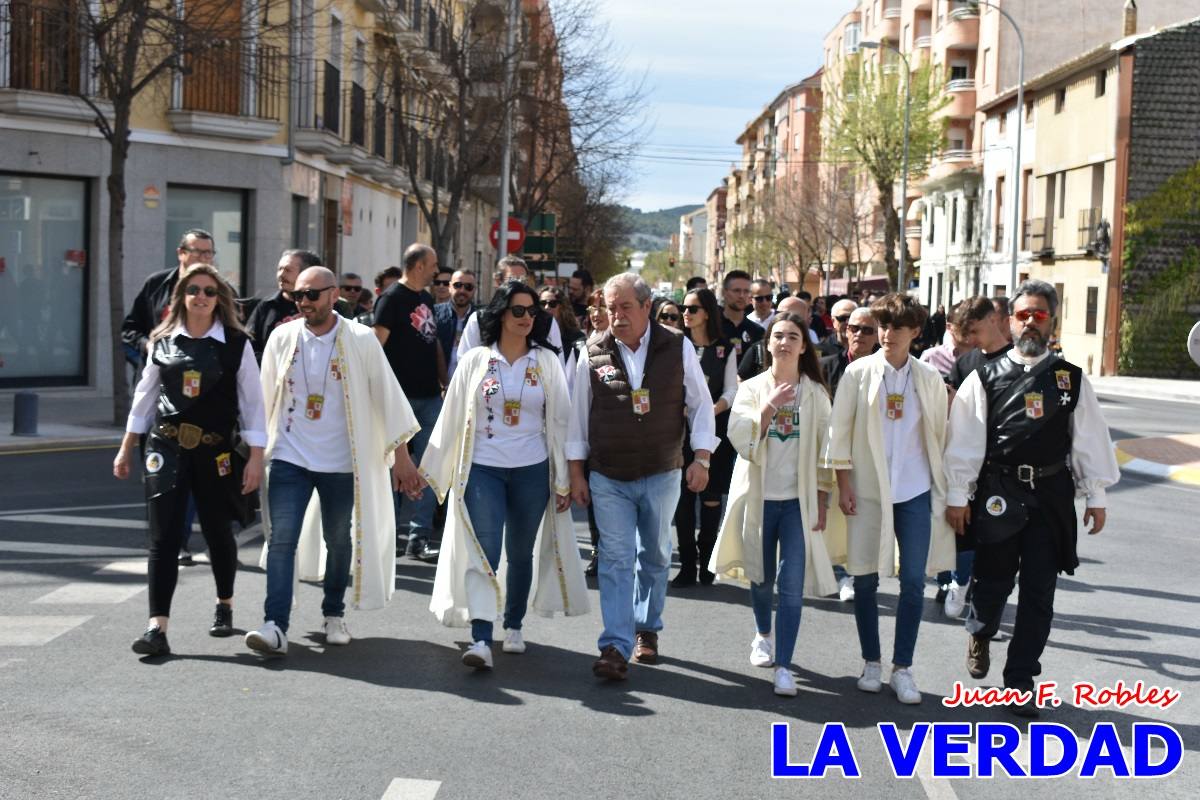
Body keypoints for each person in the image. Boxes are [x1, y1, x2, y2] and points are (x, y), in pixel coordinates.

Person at [944, 280, 1119, 717]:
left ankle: (1020, 680)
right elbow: (964, 441)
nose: (1030, 322)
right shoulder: (983, 376)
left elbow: (1089, 442)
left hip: (1050, 496)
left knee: (1040, 593)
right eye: (1023, 314)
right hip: (998, 492)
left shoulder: (1070, 380)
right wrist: (957, 495)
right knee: (994, 582)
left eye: (1039, 315)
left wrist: (1094, 496)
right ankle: (981, 632)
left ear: (1051, 320)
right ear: (1009, 320)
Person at [245, 267, 423, 656]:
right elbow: (261, 401)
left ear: (333, 295)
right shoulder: (282, 337)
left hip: (343, 463)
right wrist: (256, 457)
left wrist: (403, 460)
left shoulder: (360, 339)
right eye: (297, 296)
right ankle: (275, 624)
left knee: (339, 540)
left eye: (312, 295)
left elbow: (387, 397)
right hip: (290, 457)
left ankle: (333, 612)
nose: (303, 303)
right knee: (281, 539)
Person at [423, 282, 588, 669]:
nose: (527, 318)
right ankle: (481, 636)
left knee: (520, 552)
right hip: (482, 469)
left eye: (532, 312)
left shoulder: (546, 362)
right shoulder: (475, 361)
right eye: (518, 311)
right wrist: (428, 471)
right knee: (485, 549)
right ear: (500, 315)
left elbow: (563, 423)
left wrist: (564, 478)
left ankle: (513, 624)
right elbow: (450, 418)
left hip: (532, 470)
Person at [568, 273, 717, 680]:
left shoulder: (677, 346)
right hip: (609, 474)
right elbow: (577, 420)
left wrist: (701, 458)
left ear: (647, 307)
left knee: (653, 553)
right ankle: (615, 645)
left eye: (625, 307)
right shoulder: (591, 352)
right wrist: (576, 473)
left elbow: (701, 406)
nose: (616, 317)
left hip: (661, 470)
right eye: (610, 308)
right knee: (615, 559)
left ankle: (646, 628)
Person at [114, 264, 266, 656]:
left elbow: (253, 404)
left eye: (210, 291)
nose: (201, 297)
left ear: (220, 299)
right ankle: (156, 628)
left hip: (215, 451)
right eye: (194, 290)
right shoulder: (161, 341)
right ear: (181, 295)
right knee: (162, 538)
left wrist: (256, 459)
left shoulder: (236, 343)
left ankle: (225, 603)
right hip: (165, 449)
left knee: (217, 531)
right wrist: (127, 446)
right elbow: (145, 397)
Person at [824, 293, 953, 705]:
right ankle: (871, 662)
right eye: (881, 326)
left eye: (896, 327)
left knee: (914, 581)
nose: (886, 334)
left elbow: (940, 435)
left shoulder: (928, 379)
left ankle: (903, 667)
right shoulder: (858, 373)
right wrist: (843, 485)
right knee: (864, 577)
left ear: (915, 332)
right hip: (866, 490)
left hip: (914, 490)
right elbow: (838, 433)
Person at [710, 313, 836, 696]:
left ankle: (785, 666)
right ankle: (762, 634)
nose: (784, 342)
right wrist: (769, 408)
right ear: (767, 344)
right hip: (759, 499)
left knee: (792, 587)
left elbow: (828, 448)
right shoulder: (751, 388)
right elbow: (739, 438)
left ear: (803, 346)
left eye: (792, 336)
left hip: (797, 503)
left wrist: (823, 494)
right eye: (778, 336)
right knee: (761, 578)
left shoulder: (815, 392)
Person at [373, 244, 446, 561]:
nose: (436, 271)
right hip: (398, 399)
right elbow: (375, 349)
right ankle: (386, 537)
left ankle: (418, 537)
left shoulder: (425, 298)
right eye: (433, 265)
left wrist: (444, 379)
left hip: (430, 396)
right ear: (418, 266)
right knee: (392, 467)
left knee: (433, 463)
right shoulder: (391, 298)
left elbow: (432, 344)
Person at [671, 287, 736, 588]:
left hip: (714, 431)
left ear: (707, 313)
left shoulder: (725, 347)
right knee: (683, 501)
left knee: (711, 500)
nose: (686, 313)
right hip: (679, 431)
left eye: (692, 308)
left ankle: (707, 562)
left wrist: (713, 407)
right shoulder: (675, 345)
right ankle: (686, 565)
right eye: (683, 307)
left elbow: (732, 388)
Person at [121, 229, 216, 367]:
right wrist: (148, 346)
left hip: (203, 375)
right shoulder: (155, 284)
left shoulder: (222, 290)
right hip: (158, 374)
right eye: (196, 252)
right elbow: (129, 330)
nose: (202, 258)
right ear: (181, 253)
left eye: (208, 253)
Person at [458, 257, 564, 360]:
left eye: (523, 280)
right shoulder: (479, 320)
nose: (518, 285)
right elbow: (465, 363)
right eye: (512, 280)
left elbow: (558, 367)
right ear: (497, 281)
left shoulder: (547, 321)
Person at [246, 249, 321, 362]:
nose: (281, 275)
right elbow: (249, 347)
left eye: (288, 270)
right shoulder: (266, 306)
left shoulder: (326, 306)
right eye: (279, 269)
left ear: (307, 274)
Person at [947, 296, 1014, 389]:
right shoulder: (962, 364)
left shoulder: (1019, 360)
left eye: (974, 331)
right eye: (966, 333)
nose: (970, 339)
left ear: (992, 319)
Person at [737, 296, 809, 380]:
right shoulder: (758, 349)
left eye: (793, 316)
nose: (784, 342)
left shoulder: (816, 353)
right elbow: (740, 378)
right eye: (780, 313)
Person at [435, 269, 477, 379]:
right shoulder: (434, 314)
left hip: (469, 386)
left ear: (474, 290)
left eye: (468, 287)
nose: (462, 290)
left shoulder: (481, 319)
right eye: (457, 285)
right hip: (438, 389)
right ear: (450, 287)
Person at [719, 270, 764, 364]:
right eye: (736, 291)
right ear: (724, 292)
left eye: (746, 291)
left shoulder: (757, 331)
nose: (742, 296)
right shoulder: (712, 326)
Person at [920, 301, 971, 379]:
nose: (969, 328)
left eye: (972, 323)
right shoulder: (931, 357)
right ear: (949, 327)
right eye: (963, 323)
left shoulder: (985, 357)